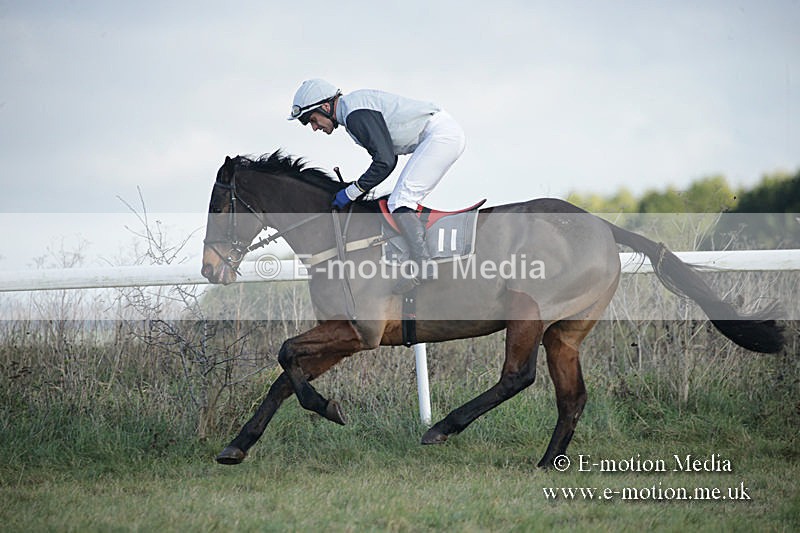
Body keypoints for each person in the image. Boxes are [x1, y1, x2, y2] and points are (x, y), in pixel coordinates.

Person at [288, 79, 466, 294]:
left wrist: (352, 191)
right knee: (398, 201)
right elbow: (386, 160)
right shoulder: (351, 112)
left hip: (440, 136)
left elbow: (385, 162)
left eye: (313, 120)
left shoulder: (355, 114)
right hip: (438, 135)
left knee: (400, 202)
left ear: (325, 107)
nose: (315, 128)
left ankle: (423, 266)